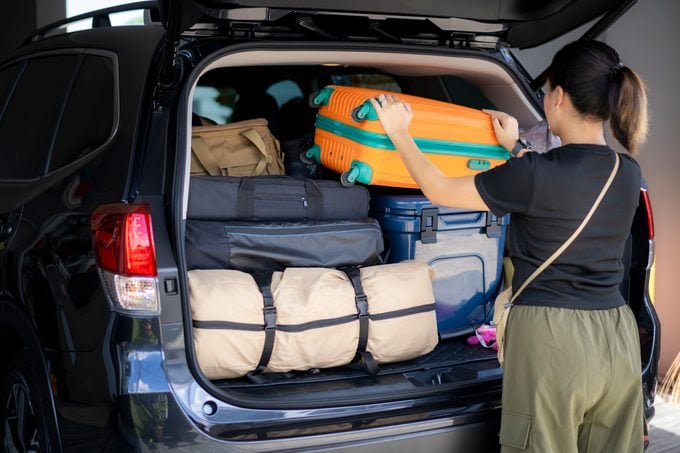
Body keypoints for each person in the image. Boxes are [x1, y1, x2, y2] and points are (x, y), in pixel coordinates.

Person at [370, 40, 648, 453]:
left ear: (557, 95)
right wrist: (515, 147)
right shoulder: (626, 172)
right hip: (617, 337)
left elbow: (438, 188)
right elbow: (559, 183)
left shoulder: (533, 175)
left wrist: (398, 132)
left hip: (554, 342)